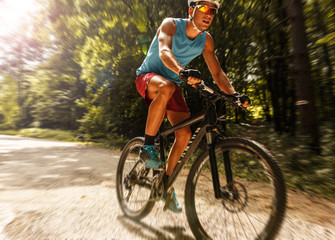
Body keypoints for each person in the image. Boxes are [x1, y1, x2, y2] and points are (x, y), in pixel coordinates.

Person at [135, 0, 250, 213]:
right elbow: (164, 52)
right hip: (148, 77)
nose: (209, 14)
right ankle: (147, 146)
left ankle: (165, 187)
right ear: (191, 10)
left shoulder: (206, 41)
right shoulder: (170, 24)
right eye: (204, 8)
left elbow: (217, 73)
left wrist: (234, 95)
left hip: (172, 83)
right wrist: (182, 71)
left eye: (213, 11)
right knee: (167, 87)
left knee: (185, 134)